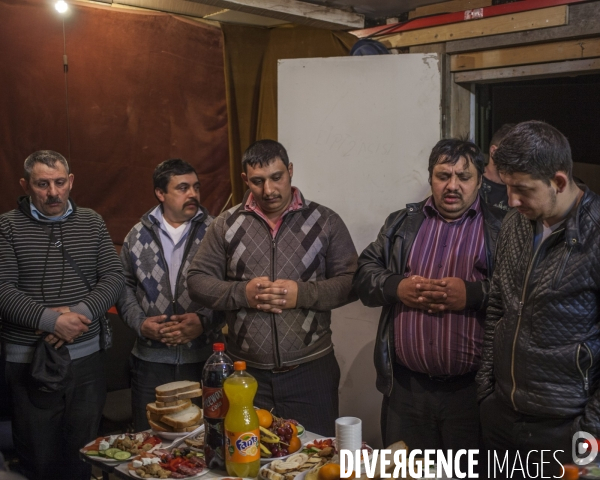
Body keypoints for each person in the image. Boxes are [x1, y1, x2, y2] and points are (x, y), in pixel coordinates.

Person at [186, 139, 357, 436]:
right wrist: (242, 294)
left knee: (314, 461)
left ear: (290, 171)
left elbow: (351, 283)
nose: (268, 190)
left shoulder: (325, 221)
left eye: (277, 177)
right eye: (258, 181)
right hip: (246, 375)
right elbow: (197, 281)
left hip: (311, 371)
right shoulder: (226, 224)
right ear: (244, 180)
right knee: (250, 457)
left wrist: (302, 294)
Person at [353, 138, 506, 451]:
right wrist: (398, 287)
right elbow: (363, 274)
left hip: (472, 394)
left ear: (479, 181)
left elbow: (522, 295)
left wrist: (474, 294)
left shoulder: (501, 227)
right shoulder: (402, 221)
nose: (452, 186)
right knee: (403, 472)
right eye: (442, 176)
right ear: (430, 178)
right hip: (406, 390)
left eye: (463, 177)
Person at [476, 121, 600, 471]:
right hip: (502, 414)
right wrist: (485, 390)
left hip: (567, 427)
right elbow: (498, 305)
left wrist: (590, 431)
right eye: (507, 187)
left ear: (558, 182)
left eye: (522, 189)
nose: (511, 200)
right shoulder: (516, 223)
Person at [0, 150, 125, 480]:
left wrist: (77, 314)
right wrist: (51, 321)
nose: (53, 193)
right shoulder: (7, 226)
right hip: (29, 363)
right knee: (39, 458)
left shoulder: (91, 220)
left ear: (70, 182)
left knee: (83, 455)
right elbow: (2, 289)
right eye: (42, 184)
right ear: (26, 184)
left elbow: (114, 277)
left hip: (87, 361)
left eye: (59, 182)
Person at [117, 159, 223, 431]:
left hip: (205, 360)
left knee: (206, 439)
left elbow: (230, 287)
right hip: (150, 361)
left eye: (196, 187)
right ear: (160, 193)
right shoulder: (137, 235)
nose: (193, 195)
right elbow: (123, 285)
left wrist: (204, 320)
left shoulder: (217, 231)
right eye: (183, 188)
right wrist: (140, 323)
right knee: (150, 442)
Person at [480, 123, 515, 211]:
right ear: (494, 151)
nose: (516, 158)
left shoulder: (517, 187)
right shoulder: (474, 182)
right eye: (512, 152)